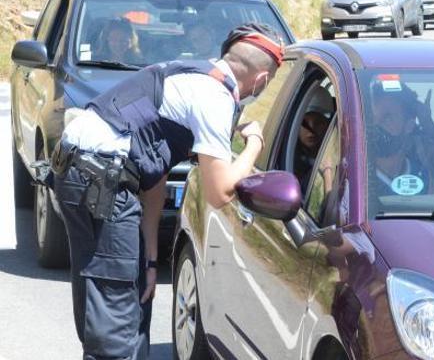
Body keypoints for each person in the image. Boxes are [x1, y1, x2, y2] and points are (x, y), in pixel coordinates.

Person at [50, 22, 284, 359]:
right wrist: (254, 144)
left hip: (93, 174)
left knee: (127, 299)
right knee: (115, 316)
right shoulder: (214, 97)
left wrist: (149, 260)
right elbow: (220, 193)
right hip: (101, 179)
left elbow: (153, 174)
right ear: (261, 80)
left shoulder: (188, 74)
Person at [367, 82, 434, 197]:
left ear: (409, 125)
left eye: (387, 118)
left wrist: (428, 124)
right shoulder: (354, 177)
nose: (376, 126)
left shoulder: (424, 178)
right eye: (370, 118)